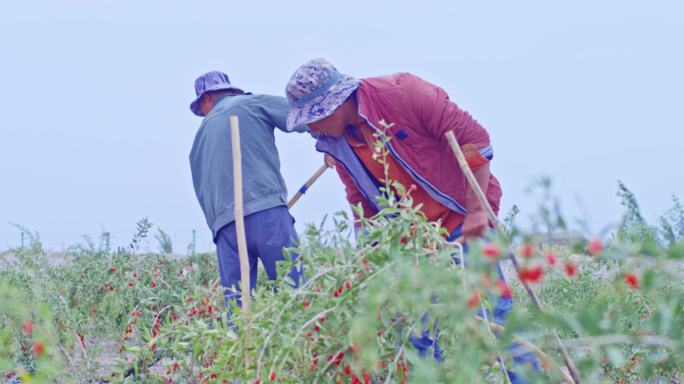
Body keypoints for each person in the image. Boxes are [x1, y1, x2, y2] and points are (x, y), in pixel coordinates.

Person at [284, 59, 537, 382]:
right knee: (416, 333)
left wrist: (477, 211)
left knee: (490, 314)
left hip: (462, 215)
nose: (312, 129)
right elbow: (361, 202)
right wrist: (370, 257)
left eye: (314, 119)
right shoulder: (336, 145)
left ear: (336, 104)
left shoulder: (404, 93)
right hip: (413, 239)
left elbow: (476, 140)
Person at [189, 71, 307, 315]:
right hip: (267, 215)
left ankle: (240, 352)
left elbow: (201, 190)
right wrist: (329, 140)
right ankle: (300, 349)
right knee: (295, 296)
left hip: (224, 228)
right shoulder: (251, 103)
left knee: (238, 310)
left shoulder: (198, 140)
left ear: (207, 98)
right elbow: (306, 116)